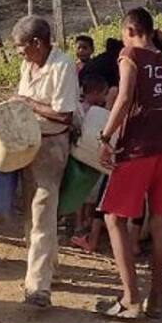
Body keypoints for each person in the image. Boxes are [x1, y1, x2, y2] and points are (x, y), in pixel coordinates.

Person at [97, 7, 162, 320]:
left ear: (131, 30)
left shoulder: (129, 56)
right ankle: (156, 298)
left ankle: (130, 297)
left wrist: (105, 138)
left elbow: (123, 99)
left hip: (136, 151)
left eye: (124, 34)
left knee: (113, 218)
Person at [12, 15, 80, 308]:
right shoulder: (28, 64)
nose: (18, 52)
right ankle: (47, 267)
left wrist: (27, 103)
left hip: (52, 145)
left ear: (37, 43)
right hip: (28, 142)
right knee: (31, 208)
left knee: (42, 209)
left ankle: (38, 286)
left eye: (21, 46)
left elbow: (64, 115)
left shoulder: (62, 66)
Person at [69, 72, 111, 253]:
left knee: (83, 193)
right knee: (85, 193)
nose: (105, 97)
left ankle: (82, 223)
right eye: (104, 93)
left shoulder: (80, 108)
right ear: (95, 93)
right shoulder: (89, 112)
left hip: (84, 158)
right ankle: (81, 223)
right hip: (86, 159)